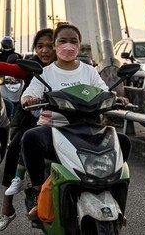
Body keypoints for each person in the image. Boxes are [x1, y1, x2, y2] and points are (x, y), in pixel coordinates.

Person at [17, 22, 130, 218]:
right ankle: (38, 194)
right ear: (54, 45)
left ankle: (112, 191)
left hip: (89, 128)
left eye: (73, 41)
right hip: (55, 129)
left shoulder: (89, 71)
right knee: (30, 138)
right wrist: (29, 99)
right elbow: (29, 94)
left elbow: (105, 91)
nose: (68, 46)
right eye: (62, 41)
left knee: (123, 141)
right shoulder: (46, 73)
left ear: (79, 45)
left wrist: (117, 99)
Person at [0, 28, 54, 232]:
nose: (45, 50)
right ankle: (7, 207)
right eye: (40, 46)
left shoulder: (68, 66)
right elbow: (9, 69)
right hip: (30, 118)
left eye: (50, 45)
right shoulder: (32, 66)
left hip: (63, 120)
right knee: (16, 147)